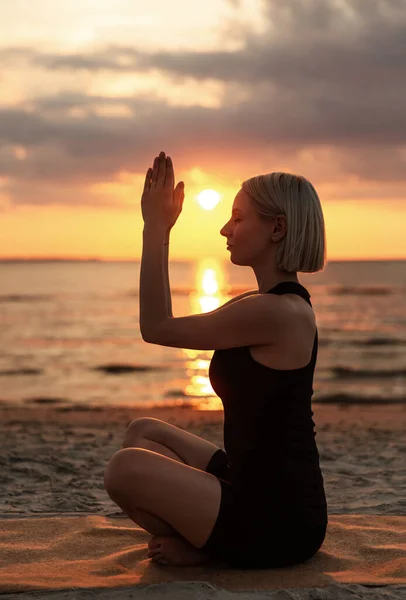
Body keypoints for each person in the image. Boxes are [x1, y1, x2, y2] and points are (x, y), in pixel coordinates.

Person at [105, 165, 328, 569]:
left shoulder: (278, 313)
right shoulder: (258, 303)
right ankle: (208, 536)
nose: (225, 230)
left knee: (125, 469)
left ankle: (210, 550)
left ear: (277, 229)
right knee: (143, 432)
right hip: (248, 482)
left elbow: (156, 328)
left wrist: (155, 228)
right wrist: (162, 228)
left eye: (238, 218)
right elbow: (167, 324)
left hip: (280, 520)